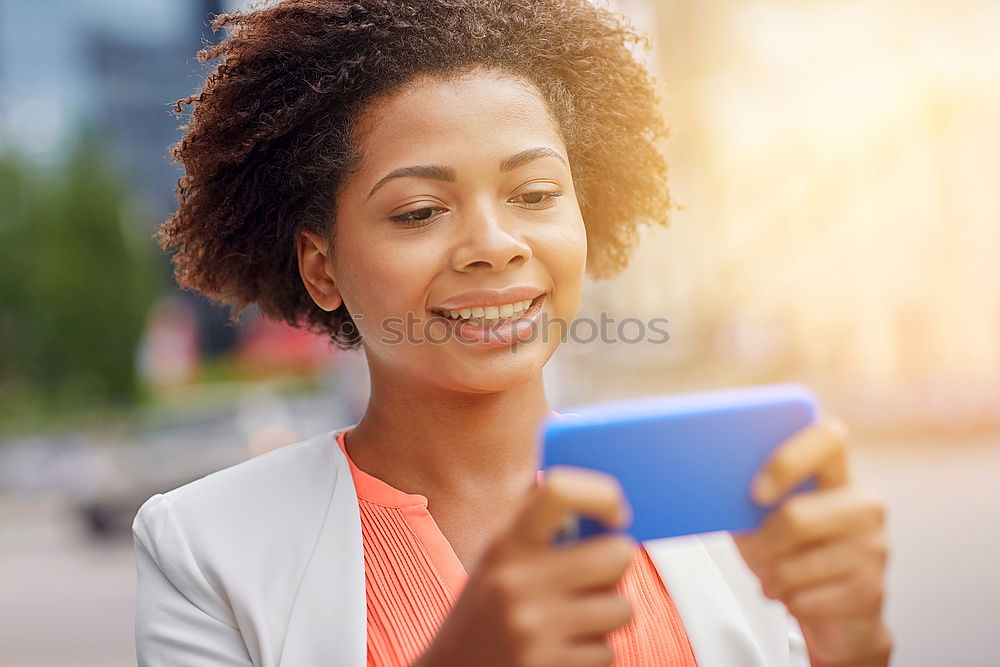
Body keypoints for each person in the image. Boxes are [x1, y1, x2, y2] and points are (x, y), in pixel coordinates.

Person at [133, 1, 893, 665]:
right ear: (322, 266)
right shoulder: (202, 548)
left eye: (534, 194)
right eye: (419, 211)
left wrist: (848, 649)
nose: (494, 244)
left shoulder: (719, 500)